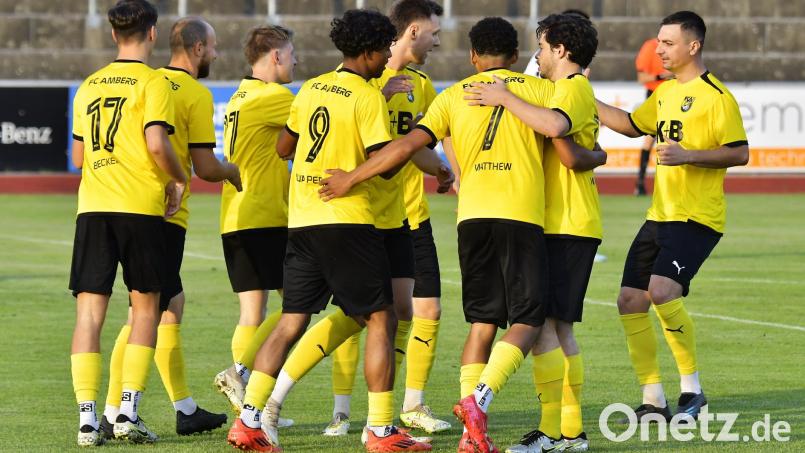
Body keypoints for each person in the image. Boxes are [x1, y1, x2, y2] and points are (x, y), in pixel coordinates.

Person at [319, 17, 558, 453]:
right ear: (516, 55)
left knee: (482, 323)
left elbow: (407, 146)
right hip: (520, 216)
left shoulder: (451, 95)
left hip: (472, 219)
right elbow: (561, 137)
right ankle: (477, 401)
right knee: (528, 320)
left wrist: (351, 177)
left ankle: (471, 436)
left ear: (473, 56)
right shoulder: (540, 90)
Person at [225, 9, 434, 452]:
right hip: (346, 221)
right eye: (384, 50)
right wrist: (403, 145)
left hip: (302, 220)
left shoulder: (312, 87)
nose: (387, 58)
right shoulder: (365, 96)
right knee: (382, 318)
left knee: (290, 321)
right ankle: (381, 430)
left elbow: (284, 146)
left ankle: (249, 419)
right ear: (369, 51)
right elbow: (384, 163)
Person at [595, 10, 748, 422]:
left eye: (667, 43)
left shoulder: (716, 96)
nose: (658, 50)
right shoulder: (663, 92)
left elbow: (740, 152)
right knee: (629, 300)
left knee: (662, 291)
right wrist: (584, 98)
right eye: (659, 41)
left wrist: (689, 156)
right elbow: (631, 125)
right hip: (660, 215)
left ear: (693, 46)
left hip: (697, 217)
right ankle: (653, 399)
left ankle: (692, 391)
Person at [464, 12, 604, 452]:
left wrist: (505, 97)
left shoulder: (571, 88)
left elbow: (558, 134)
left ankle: (559, 432)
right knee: (553, 327)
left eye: (542, 47)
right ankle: (565, 432)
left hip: (567, 222)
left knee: (546, 326)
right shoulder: (561, 89)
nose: (537, 56)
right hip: (556, 221)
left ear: (560, 50)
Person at [99, 16, 239, 440]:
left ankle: (183, 407)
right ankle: (116, 411)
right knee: (146, 311)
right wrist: (233, 173)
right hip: (164, 214)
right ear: (197, 49)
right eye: (213, 46)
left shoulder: (150, 81)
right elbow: (206, 167)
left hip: (130, 205)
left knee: (166, 305)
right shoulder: (193, 93)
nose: (215, 53)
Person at [322, 0, 451, 437]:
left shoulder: (423, 86)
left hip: (411, 214)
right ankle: (340, 409)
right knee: (356, 314)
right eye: (434, 32)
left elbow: (418, 144)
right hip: (364, 215)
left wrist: (441, 168)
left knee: (422, 309)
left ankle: (409, 405)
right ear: (412, 31)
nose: (438, 40)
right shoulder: (359, 83)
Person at [68, 0, 186, 445]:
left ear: (114, 35)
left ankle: (86, 419)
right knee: (145, 309)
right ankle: (127, 414)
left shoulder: (89, 85)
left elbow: (78, 156)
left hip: (93, 207)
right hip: (139, 207)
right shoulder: (154, 83)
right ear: (152, 33)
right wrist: (177, 179)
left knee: (89, 314)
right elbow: (157, 144)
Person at [211, 26, 296, 433]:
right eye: (292, 54)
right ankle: (242, 373)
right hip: (264, 215)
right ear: (275, 56)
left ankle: (250, 406)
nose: (296, 61)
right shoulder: (272, 96)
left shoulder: (239, 97)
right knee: (300, 303)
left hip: (236, 213)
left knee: (253, 311)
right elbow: (323, 112)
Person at [634, 37, 674, 195]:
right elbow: (642, 78)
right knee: (650, 137)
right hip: (655, 94)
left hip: (676, 93)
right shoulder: (650, 47)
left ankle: (668, 184)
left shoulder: (679, 45)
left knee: (672, 138)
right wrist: (662, 76)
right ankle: (640, 182)